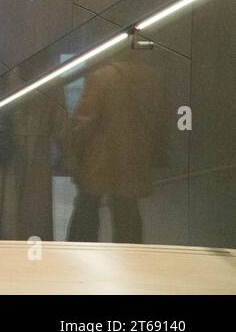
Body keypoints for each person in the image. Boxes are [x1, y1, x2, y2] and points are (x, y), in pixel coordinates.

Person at [65, 56, 168, 244]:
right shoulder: (153, 76)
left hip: (102, 159)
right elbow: (160, 121)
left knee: (86, 209)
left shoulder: (102, 76)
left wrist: (73, 151)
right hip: (136, 157)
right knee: (128, 213)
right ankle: (130, 262)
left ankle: (80, 258)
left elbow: (84, 122)